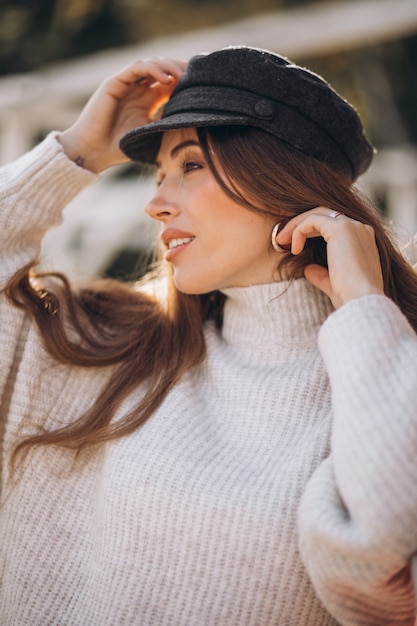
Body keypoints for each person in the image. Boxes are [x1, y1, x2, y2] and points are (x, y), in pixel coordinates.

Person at [0, 45, 416, 626]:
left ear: (282, 178)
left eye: (190, 165)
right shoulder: (94, 350)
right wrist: (74, 154)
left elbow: (385, 576)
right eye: (160, 172)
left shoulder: (387, 376)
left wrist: (367, 314)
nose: (156, 204)